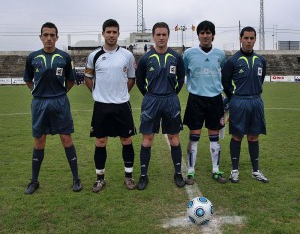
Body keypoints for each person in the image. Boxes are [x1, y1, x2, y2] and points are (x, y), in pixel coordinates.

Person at [23, 22, 82, 194]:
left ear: (57, 37)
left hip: (59, 102)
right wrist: (38, 92)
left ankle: (76, 179)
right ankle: (34, 181)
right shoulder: (32, 57)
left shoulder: (64, 57)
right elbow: (28, 79)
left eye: (52, 35)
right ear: (40, 37)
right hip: (39, 102)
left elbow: (71, 81)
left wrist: (60, 94)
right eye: (45, 35)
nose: (49, 38)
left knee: (66, 139)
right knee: (39, 140)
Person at [84, 19, 137, 192]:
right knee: (100, 141)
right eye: (109, 32)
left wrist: (121, 93)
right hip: (101, 106)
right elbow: (87, 78)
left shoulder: (127, 56)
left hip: (122, 105)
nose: (111, 35)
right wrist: (97, 93)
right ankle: (100, 179)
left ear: (118, 34)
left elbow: (131, 79)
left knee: (126, 140)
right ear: (103, 33)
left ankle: (128, 177)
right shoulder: (94, 56)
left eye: (114, 32)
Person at [135, 22, 186, 190]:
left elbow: (180, 79)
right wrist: (151, 95)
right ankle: (143, 176)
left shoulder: (176, 57)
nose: (161, 37)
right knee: (148, 138)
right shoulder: (145, 58)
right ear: (153, 36)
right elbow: (140, 82)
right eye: (158, 34)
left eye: (164, 34)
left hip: (171, 100)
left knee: (174, 138)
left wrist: (171, 93)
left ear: (168, 36)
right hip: (151, 100)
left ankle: (178, 173)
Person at [221, 26, 269, 183]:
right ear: (240, 39)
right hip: (239, 102)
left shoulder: (261, 61)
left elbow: (260, 81)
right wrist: (233, 98)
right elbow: (225, 83)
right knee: (237, 136)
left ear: (255, 39)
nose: (249, 41)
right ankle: (234, 170)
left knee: (254, 136)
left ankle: (256, 171)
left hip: (256, 101)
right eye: (246, 38)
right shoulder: (232, 61)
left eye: (252, 38)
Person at [183, 20, 227, 185]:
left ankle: (216, 170)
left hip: (215, 99)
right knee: (194, 137)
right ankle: (190, 171)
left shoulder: (220, 54)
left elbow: (223, 70)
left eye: (208, 33)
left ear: (213, 35)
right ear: (198, 35)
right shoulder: (189, 54)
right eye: (202, 33)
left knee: (214, 138)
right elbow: (184, 70)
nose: (205, 36)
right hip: (196, 98)